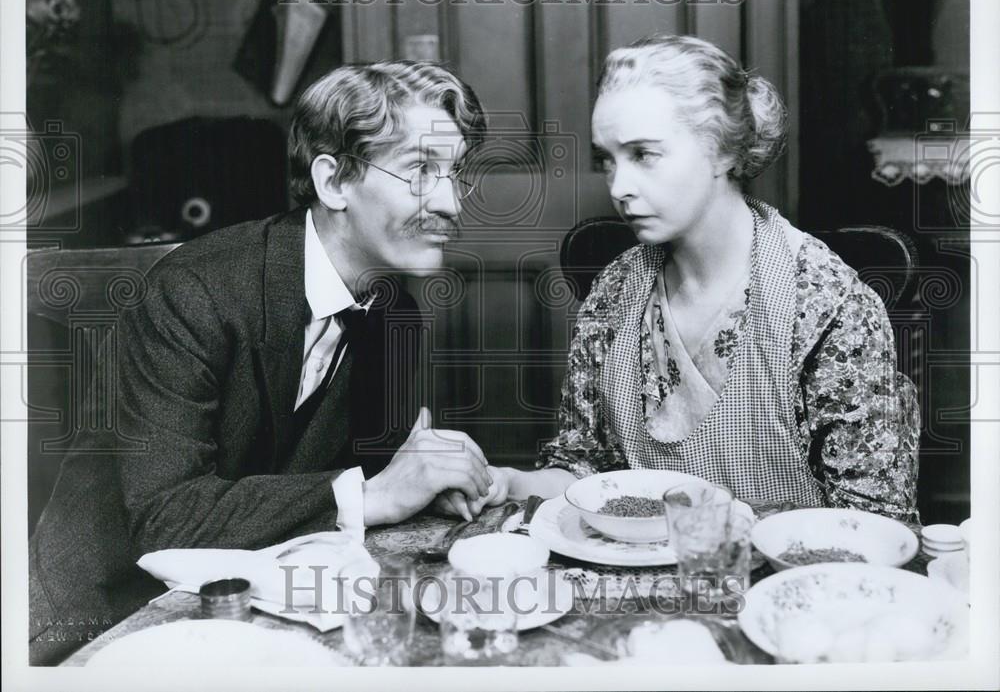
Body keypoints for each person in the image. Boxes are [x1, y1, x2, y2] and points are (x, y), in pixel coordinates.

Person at [28, 61, 496, 664]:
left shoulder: (392, 309)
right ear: (333, 182)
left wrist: (424, 481)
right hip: (104, 618)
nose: (451, 203)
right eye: (420, 170)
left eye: (456, 174)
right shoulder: (193, 291)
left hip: (258, 601)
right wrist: (375, 494)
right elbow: (166, 518)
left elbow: (367, 473)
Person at [487, 34, 920, 519]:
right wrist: (507, 482)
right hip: (639, 562)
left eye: (643, 154)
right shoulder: (615, 291)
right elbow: (587, 470)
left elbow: (870, 521)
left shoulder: (825, 303)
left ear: (722, 150)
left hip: (786, 565)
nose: (619, 187)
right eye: (608, 160)